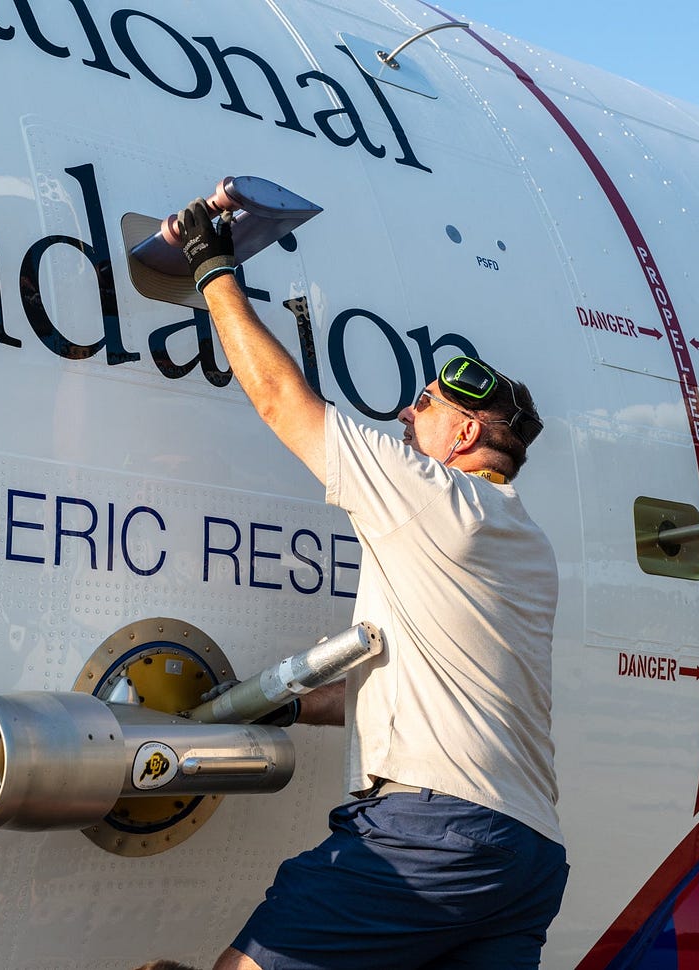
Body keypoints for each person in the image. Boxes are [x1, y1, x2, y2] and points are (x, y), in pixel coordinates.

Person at [175, 200, 569, 970]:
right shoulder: (524, 543)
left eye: (424, 404)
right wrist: (284, 703)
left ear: (462, 437)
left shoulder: (438, 497)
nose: (403, 413)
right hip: (525, 858)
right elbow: (420, 684)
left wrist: (211, 267)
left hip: (433, 833)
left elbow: (282, 403)